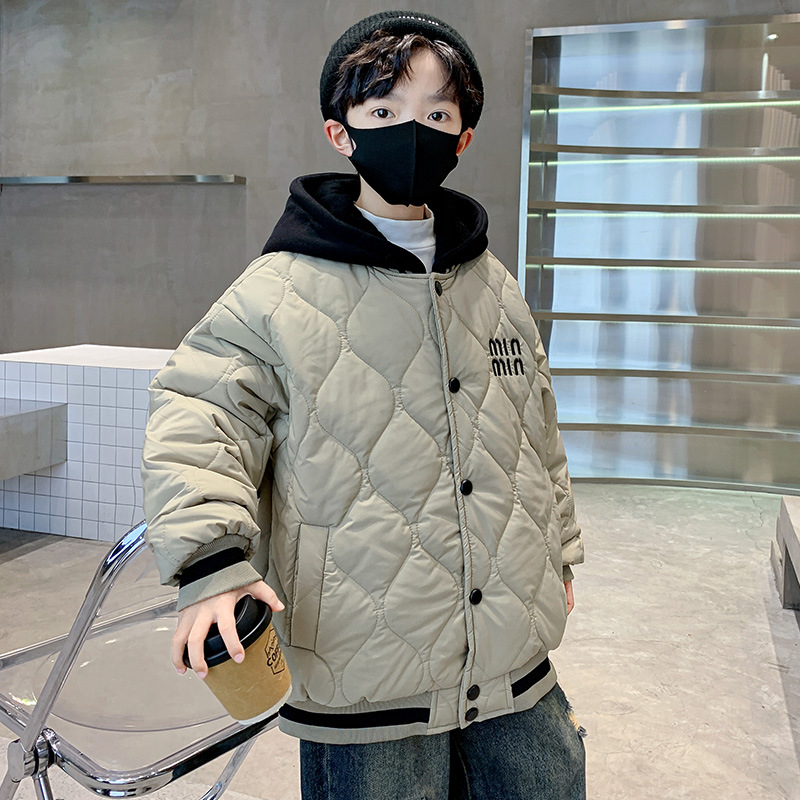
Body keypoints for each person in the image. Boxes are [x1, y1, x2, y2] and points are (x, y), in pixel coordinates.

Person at [140, 10, 586, 799]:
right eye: (384, 110)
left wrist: (560, 553)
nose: (410, 132)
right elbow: (199, 414)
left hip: (513, 655)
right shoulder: (279, 290)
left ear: (463, 138)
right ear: (340, 133)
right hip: (364, 672)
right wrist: (213, 564)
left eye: (436, 115)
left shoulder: (494, 285)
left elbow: (536, 433)